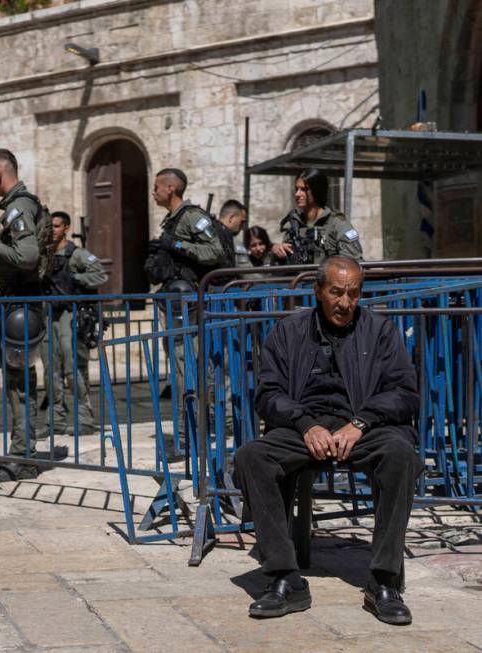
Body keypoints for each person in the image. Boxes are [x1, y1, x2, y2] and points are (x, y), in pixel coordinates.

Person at [233, 256, 421, 625]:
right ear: (318, 291)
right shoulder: (288, 331)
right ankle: (284, 577)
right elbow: (267, 394)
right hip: (304, 428)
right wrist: (304, 423)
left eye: (353, 294)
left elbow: (404, 392)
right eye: (336, 292)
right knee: (251, 457)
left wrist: (361, 422)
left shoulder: (380, 331)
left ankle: (384, 580)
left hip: (361, 427)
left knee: (400, 453)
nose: (345, 303)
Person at [0, 148, 46, 480]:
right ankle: (22, 449)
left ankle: (24, 455)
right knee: (18, 382)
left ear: (0, 170)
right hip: (15, 305)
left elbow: (28, 256)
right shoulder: (17, 207)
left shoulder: (19, 207)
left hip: (21, 305)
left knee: (20, 384)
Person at [144, 168, 228, 404]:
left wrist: (178, 245)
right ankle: (191, 424)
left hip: (191, 303)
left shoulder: (191, 217)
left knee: (189, 361)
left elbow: (215, 251)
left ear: (170, 188)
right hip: (176, 302)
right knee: (180, 361)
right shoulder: (172, 220)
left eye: (157, 187)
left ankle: (196, 425)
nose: (153, 192)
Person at [41, 210, 108, 436]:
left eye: (57, 226)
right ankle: (55, 421)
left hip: (71, 316)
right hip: (49, 316)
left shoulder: (77, 254)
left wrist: (75, 279)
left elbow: (100, 275)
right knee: (51, 370)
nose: (52, 231)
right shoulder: (45, 256)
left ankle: (85, 419)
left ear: (66, 228)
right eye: (50, 227)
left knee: (74, 369)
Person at [272, 169, 363, 265]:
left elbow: (354, 264)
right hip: (299, 279)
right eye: (296, 189)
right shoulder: (295, 226)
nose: (297, 194)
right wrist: (277, 250)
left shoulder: (337, 224)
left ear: (317, 191)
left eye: (304, 189)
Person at [217, 199, 250, 269]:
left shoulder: (211, 233)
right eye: (242, 222)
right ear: (231, 218)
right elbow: (248, 273)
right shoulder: (233, 241)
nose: (243, 227)